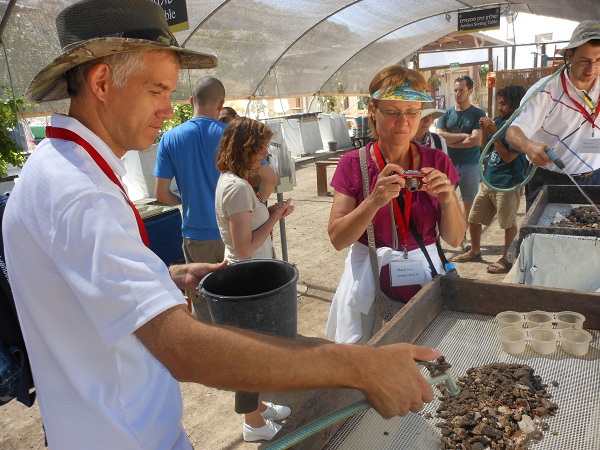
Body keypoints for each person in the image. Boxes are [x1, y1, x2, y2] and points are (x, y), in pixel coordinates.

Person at [3, 1, 442, 448]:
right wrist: (360, 367)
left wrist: (164, 275)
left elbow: (79, 284)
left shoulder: (56, 168)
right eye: (157, 90)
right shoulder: (82, 194)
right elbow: (181, 349)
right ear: (101, 82)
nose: (167, 108)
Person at [325, 65, 466, 344]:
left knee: (424, 355)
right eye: (392, 112)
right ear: (373, 111)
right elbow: (338, 239)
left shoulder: (438, 162)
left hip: (424, 274)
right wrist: (373, 201)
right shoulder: (353, 164)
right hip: (368, 279)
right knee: (369, 361)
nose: (403, 122)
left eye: (412, 112)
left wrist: (448, 199)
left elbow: (455, 238)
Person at [214, 118, 294, 441]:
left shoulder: (235, 182)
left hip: (250, 276)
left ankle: (258, 407)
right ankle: (253, 424)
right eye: (260, 147)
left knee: (256, 349)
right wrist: (274, 215)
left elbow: (236, 240)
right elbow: (244, 246)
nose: (264, 152)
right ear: (244, 147)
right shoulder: (235, 187)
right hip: (248, 281)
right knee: (249, 354)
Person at [153, 76, 227, 322]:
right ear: (221, 103)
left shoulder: (170, 138)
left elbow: (161, 194)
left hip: (196, 235)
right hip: (235, 230)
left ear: (192, 100)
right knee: (238, 299)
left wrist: (185, 199)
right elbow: (264, 177)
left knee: (203, 304)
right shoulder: (231, 135)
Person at [506, 20, 600, 210]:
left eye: (598, 60)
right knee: (545, 236)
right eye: (584, 61)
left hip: (595, 177)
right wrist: (529, 146)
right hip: (550, 179)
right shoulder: (546, 90)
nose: (591, 69)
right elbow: (513, 132)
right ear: (570, 55)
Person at [453, 85, 528, 274]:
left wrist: (494, 132)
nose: (500, 108)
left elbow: (508, 157)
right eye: (499, 103)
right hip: (489, 181)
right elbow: (486, 149)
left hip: (508, 184)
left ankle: (507, 258)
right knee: (473, 218)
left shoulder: (519, 128)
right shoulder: (498, 121)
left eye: (504, 104)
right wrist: (485, 131)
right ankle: (475, 250)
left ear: (515, 104)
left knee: (507, 223)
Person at [436, 75, 487, 248]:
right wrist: (463, 136)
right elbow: (439, 136)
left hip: (471, 164)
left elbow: (475, 140)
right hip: (448, 164)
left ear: (470, 91)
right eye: (455, 90)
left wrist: (450, 140)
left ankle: (462, 236)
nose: (457, 94)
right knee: (442, 200)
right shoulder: (446, 114)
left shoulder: (478, 114)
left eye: (461, 91)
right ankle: (440, 236)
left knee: (469, 203)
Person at [219, 106, 279, 202]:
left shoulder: (231, 179)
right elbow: (271, 178)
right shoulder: (238, 186)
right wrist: (261, 208)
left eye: (225, 119)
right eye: (259, 146)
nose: (265, 153)